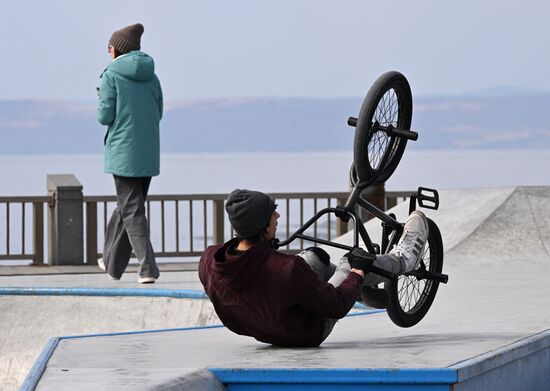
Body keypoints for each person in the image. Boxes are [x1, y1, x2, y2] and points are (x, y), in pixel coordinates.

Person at [198, 189, 429, 347]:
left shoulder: (210, 261)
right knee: (350, 263)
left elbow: (258, 280)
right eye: (271, 214)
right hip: (306, 332)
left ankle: (357, 291)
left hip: (264, 328)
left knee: (313, 257)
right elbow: (334, 306)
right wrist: (358, 272)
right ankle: (403, 259)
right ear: (261, 225)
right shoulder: (285, 269)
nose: (277, 215)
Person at [96, 23, 163, 284]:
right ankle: (111, 263)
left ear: (116, 50)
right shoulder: (153, 76)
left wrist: (101, 96)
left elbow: (105, 116)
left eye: (109, 46)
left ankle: (148, 268)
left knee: (131, 210)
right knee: (128, 207)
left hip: (123, 152)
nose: (107, 51)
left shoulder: (110, 76)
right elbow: (158, 112)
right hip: (147, 153)